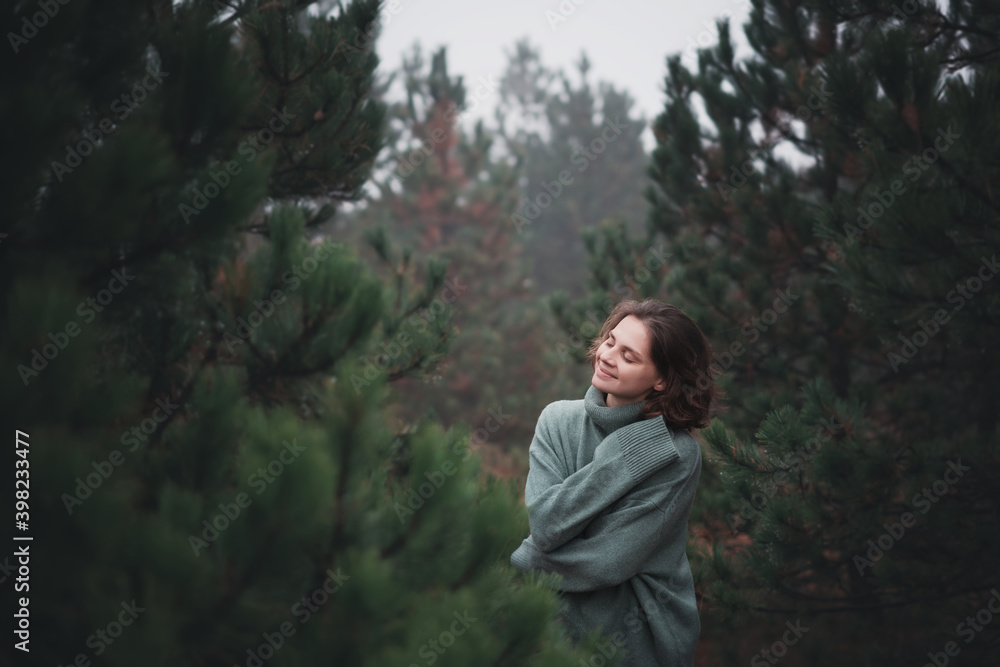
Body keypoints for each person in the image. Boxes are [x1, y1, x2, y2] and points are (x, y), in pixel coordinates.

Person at [510, 298, 720, 666]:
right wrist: (625, 455)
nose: (607, 356)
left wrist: (525, 560)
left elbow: (608, 563)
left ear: (661, 380)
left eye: (629, 356)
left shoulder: (678, 454)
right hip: (555, 606)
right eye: (610, 342)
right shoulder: (557, 421)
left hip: (636, 620)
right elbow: (545, 524)